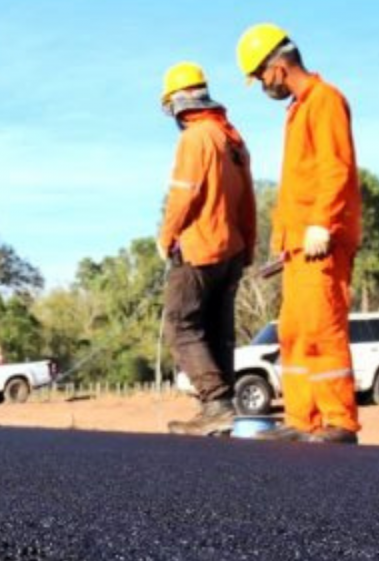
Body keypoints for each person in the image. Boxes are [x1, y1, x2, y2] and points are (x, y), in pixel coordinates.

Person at [237, 24, 362, 444]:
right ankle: (301, 418)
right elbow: (297, 185)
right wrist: (281, 244)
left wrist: (322, 223)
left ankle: (338, 420)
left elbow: (335, 167)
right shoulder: (299, 108)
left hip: (320, 241)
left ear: (277, 66)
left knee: (322, 327)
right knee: (293, 331)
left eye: (259, 77)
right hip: (298, 247)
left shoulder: (325, 100)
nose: (261, 87)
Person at [157, 62, 257, 435]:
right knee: (218, 330)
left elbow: (183, 196)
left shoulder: (195, 138)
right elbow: (249, 201)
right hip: (233, 251)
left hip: (200, 248)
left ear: (178, 103)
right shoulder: (233, 140)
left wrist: (166, 238)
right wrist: (248, 248)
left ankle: (215, 403)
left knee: (182, 323)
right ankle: (221, 412)